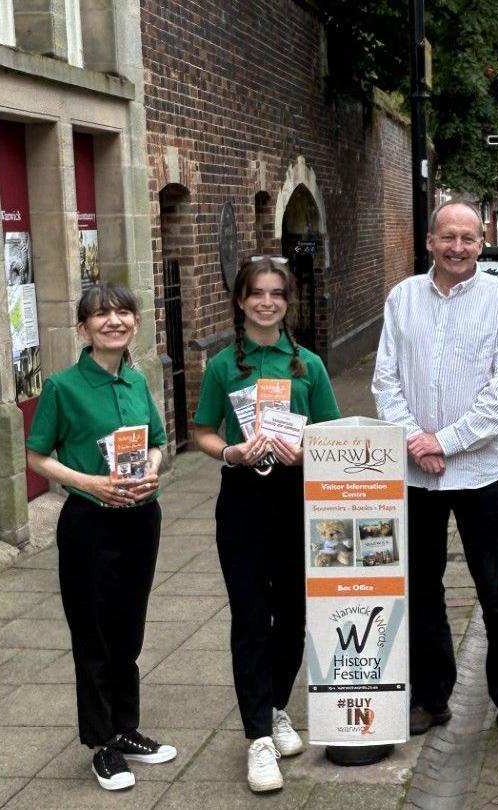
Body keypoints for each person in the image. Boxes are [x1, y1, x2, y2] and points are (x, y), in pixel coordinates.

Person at [372, 199, 498, 747]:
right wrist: (414, 442)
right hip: (414, 475)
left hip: (481, 473)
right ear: (430, 241)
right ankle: (430, 697)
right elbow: (385, 381)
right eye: (447, 237)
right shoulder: (402, 299)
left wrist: (442, 441)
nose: (457, 247)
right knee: (421, 588)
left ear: (482, 241)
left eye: (468, 238)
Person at [191, 256, 341, 793]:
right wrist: (231, 452)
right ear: (241, 300)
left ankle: (276, 706)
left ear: (287, 301)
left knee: (294, 613)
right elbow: (204, 430)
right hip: (243, 500)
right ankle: (257, 736)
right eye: (257, 292)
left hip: (298, 499)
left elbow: (332, 435)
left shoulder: (309, 367)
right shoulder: (222, 366)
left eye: (277, 293)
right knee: (251, 618)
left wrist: (305, 452)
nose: (267, 302)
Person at [25, 283, 177, 792]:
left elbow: (157, 442)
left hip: (140, 518)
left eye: (123, 312)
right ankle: (101, 745)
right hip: (90, 524)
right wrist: (90, 483)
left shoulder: (135, 382)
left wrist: (153, 470)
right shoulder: (62, 388)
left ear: (134, 322)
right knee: (92, 635)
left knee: (128, 630)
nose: (114, 320)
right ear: (83, 328)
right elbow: (38, 456)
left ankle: (126, 728)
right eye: (101, 315)